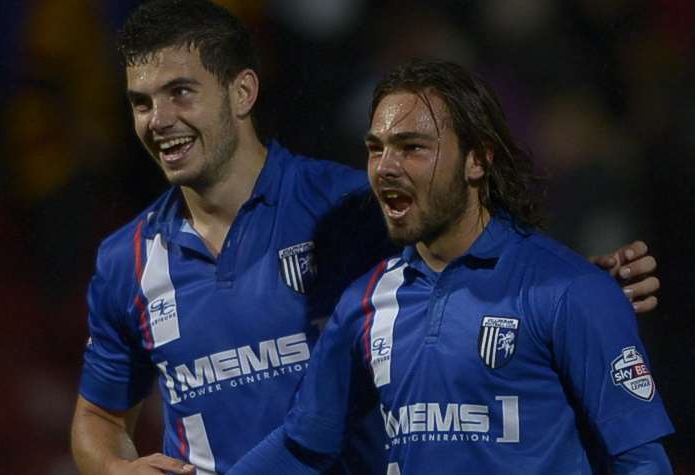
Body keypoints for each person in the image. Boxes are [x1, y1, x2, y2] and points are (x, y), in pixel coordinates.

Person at [70, 1, 661, 474]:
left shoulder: (352, 207)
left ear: (242, 92)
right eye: (141, 103)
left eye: (180, 92)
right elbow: (99, 417)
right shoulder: (127, 258)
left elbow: (474, 256)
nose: (158, 119)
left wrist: (575, 288)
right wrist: (115, 469)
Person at [226, 60, 673, 475]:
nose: (385, 168)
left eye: (412, 148)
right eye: (376, 148)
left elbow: (641, 460)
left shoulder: (569, 290)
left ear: (478, 159)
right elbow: (304, 444)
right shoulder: (365, 302)